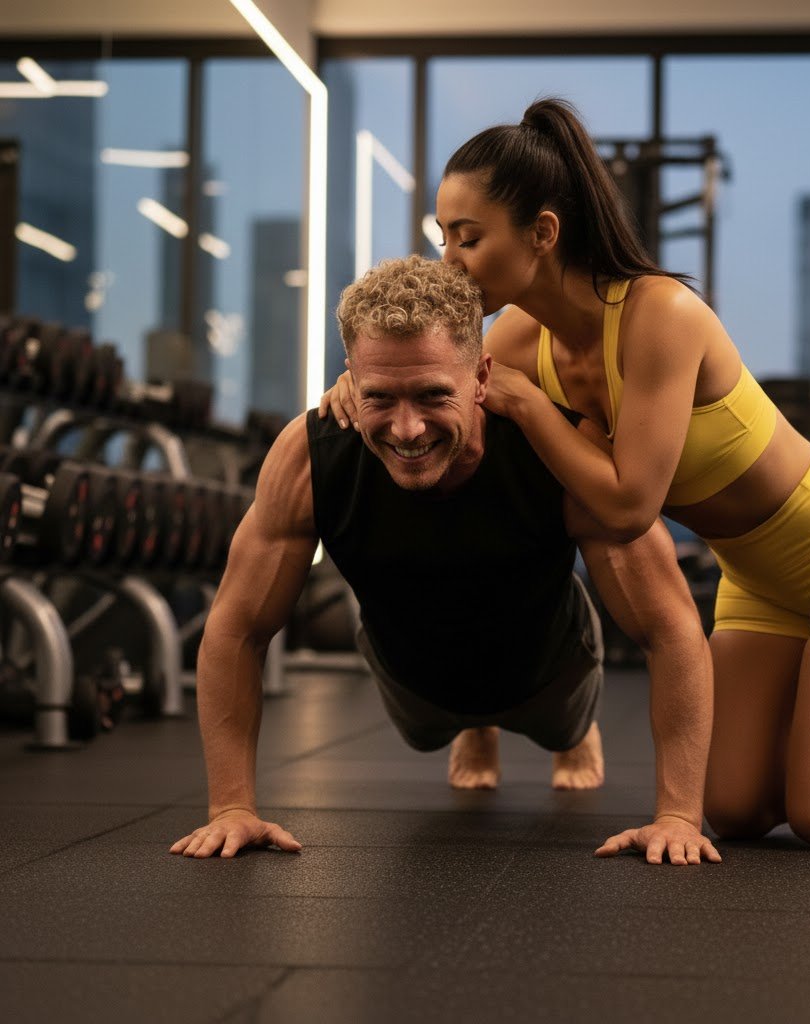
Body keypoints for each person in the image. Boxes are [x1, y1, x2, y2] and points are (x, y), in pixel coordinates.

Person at [323, 99, 810, 846]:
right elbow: (436, 388)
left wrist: (526, 406)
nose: (449, 263)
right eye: (443, 239)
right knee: (736, 808)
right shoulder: (522, 338)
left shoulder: (661, 316)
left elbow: (629, 505)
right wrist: (349, 389)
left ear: (543, 233)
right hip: (758, 583)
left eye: (467, 239)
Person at [172, 255, 720, 863]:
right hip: (414, 679)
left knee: (562, 726)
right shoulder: (310, 458)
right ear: (350, 377)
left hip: (548, 665)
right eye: (380, 397)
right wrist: (231, 808)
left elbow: (671, 628)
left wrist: (677, 815)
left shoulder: (560, 451)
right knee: (429, 729)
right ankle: (473, 727)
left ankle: (569, 735)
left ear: (482, 377)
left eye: (434, 395)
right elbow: (235, 629)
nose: (407, 430)